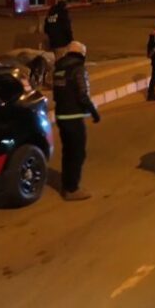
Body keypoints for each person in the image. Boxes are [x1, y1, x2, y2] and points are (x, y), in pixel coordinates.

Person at [52, 41, 100, 201]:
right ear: (81, 55)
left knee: (68, 151)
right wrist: (93, 112)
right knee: (78, 153)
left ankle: (67, 184)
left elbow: (56, 93)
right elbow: (82, 94)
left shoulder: (58, 68)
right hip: (73, 116)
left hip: (61, 115)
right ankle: (72, 188)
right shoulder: (78, 69)